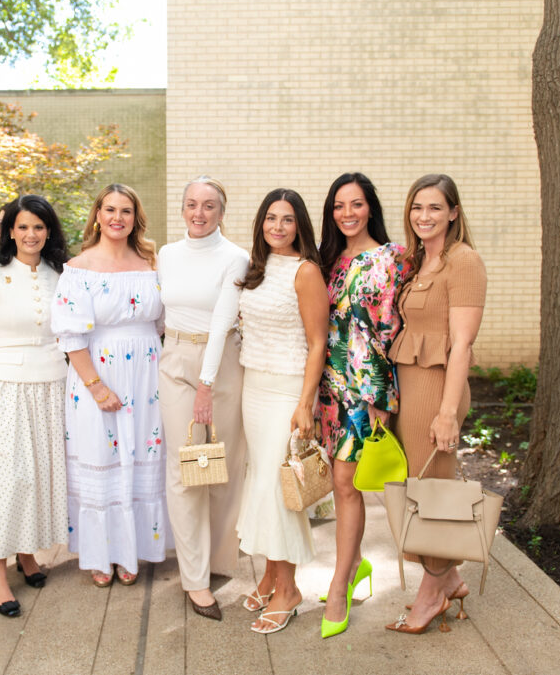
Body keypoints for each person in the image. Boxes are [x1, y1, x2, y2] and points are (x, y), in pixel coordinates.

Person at [50, 183, 171, 587]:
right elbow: (70, 336)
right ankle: (101, 553)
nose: (117, 218)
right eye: (110, 209)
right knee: (101, 457)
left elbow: (162, 323)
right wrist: (97, 387)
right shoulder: (79, 267)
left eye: (126, 211)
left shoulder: (152, 263)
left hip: (147, 377)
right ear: (97, 215)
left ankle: (132, 551)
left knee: (141, 459)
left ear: (136, 218)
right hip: (96, 375)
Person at [385, 174, 486, 635]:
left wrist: (447, 412)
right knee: (418, 486)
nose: (423, 216)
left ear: (453, 213)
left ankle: (429, 596)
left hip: (438, 389)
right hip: (412, 388)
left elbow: (462, 344)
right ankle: (450, 578)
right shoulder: (420, 260)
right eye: (416, 208)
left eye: (434, 208)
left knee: (432, 494)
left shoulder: (462, 261)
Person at [0, 195, 70, 617]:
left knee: (40, 474)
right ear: (10, 230)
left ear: (49, 232)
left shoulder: (61, 273)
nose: (31, 235)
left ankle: (28, 553)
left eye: (39, 227)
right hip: (6, 383)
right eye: (23, 227)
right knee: (5, 477)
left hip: (52, 383)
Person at [314, 173, 405, 638]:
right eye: (338, 206)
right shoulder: (325, 261)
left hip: (365, 390)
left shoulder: (393, 258)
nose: (347, 213)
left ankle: (338, 583)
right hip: (328, 387)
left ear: (371, 207)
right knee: (337, 483)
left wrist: (382, 396)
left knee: (348, 482)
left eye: (356, 204)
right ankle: (356, 565)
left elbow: (393, 329)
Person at [235, 188, 327, 634]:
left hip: (288, 392)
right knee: (262, 482)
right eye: (270, 217)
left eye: (287, 219)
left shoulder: (305, 271)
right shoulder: (256, 268)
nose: (277, 226)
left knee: (279, 490)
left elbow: (317, 343)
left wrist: (304, 403)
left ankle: (289, 589)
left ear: (299, 226)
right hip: (254, 386)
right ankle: (271, 576)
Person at [157, 176, 248, 620]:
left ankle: (218, 560)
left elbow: (222, 320)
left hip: (221, 362)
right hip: (174, 359)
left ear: (222, 211)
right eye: (192, 204)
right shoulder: (166, 255)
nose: (199, 213)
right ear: (183, 208)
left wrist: (207, 385)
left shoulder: (236, 258)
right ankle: (194, 580)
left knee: (221, 467)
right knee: (185, 467)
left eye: (209, 205)